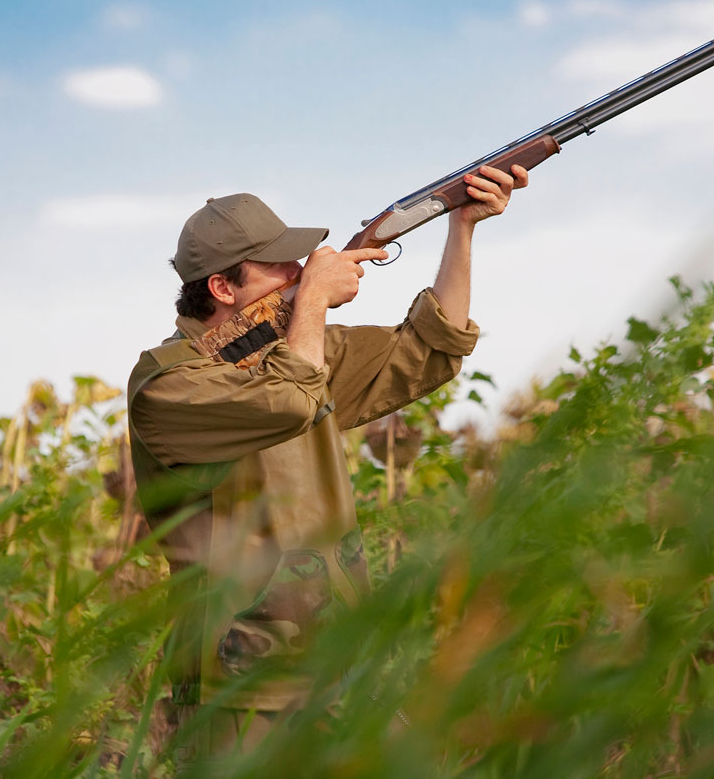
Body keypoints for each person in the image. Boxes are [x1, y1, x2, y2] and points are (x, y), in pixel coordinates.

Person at [126, 164, 528, 758]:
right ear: (222, 288)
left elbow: (428, 351)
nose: (301, 271)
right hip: (238, 686)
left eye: (301, 262)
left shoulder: (298, 351)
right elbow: (289, 401)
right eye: (281, 267)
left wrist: (461, 229)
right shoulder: (169, 384)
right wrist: (313, 299)